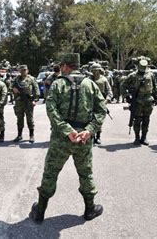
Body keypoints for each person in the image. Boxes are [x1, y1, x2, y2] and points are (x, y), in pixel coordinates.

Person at [29, 53, 106, 224]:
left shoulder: (58, 84)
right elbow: (101, 110)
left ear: (65, 66)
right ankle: (90, 209)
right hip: (83, 139)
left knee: (50, 173)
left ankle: (40, 212)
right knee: (85, 173)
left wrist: (67, 130)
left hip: (61, 138)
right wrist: (89, 130)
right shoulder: (90, 84)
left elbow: (51, 110)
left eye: (61, 65)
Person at [121, 59, 157, 145]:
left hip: (148, 100)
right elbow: (123, 85)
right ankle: (137, 138)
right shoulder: (132, 75)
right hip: (137, 100)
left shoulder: (151, 74)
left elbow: (155, 85)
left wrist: (156, 97)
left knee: (146, 119)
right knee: (137, 120)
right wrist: (126, 96)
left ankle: (144, 137)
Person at [12, 65, 40, 143]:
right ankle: (19, 135)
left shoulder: (31, 79)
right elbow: (11, 87)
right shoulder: (16, 79)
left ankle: (31, 135)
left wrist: (35, 100)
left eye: (24, 70)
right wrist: (13, 89)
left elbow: (36, 90)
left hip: (28, 102)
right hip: (19, 102)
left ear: (27, 70)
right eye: (21, 70)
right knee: (19, 119)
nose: (23, 71)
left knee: (30, 120)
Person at [89, 63, 112, 144]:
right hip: (90, 102)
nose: (95, 72)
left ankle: (98, 137)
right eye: (93, 70)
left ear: (100, 70)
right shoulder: (88, 79)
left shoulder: (104, 80)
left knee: (99, 120)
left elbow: (109, 91)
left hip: (101, 102)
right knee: (90, 120)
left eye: (96, 70)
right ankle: (91, 136)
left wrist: (106, 100)